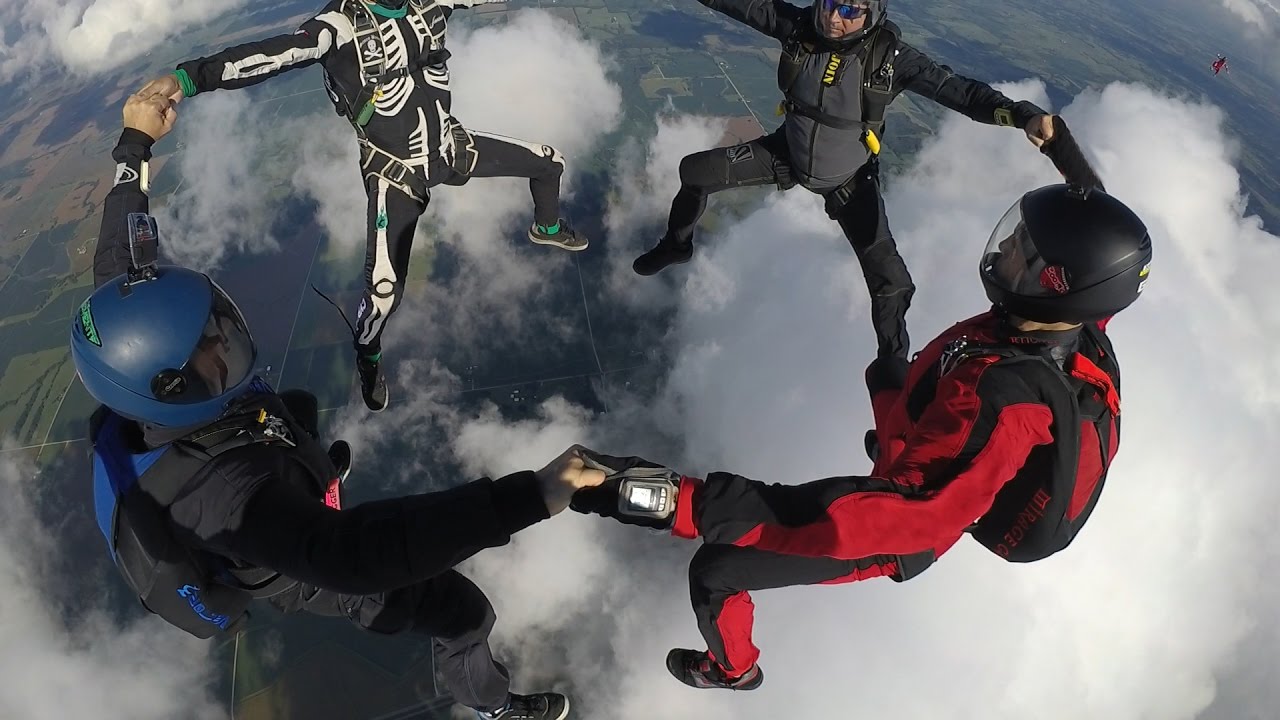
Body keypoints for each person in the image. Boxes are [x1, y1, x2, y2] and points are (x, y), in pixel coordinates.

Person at [72, 84, 603, 720]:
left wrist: (135, 140)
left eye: (216, 323)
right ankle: (493, 705)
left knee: (294, 404)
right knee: (464, 612)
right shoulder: (225, 497)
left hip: (260, 459)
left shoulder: (131, 350)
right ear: (171, 389)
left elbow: (119, 258)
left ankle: (315, 478)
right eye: (212, 347)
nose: (224, 338)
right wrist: (534, 495)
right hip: (297, 566)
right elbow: (352, 557)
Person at [574, 180, 1153, 691]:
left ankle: (734, 671)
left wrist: (688, 503)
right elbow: (1104, 267)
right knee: (889, 371)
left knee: (714, 572)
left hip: (896, 535)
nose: (1003, 250)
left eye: (1022, 248)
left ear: (1057, 282)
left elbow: (909, 513)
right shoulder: (1069, 324)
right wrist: (1062, 154)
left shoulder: (1008, 402)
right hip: (924, 448)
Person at [142, 0, 588, 413]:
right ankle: (368, 357)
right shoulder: (337, 28)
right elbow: (271, 56)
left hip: (451, 148)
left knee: (550, 162)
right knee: (382, 295)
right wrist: (188, 79)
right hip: (395, 172)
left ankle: (546, 228)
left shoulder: (430, 3)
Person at [633, 0, 1057, 362]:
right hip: (788, 155)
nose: (833, 18)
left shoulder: (890, 59)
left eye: (850, 10)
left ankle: (893, 371)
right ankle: (677, 245)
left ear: (872, 14)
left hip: (849, 182)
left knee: (891, 283)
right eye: (828, 3)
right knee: (694, 172)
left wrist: (1022, 115)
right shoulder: (799, 28)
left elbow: (961, 93)